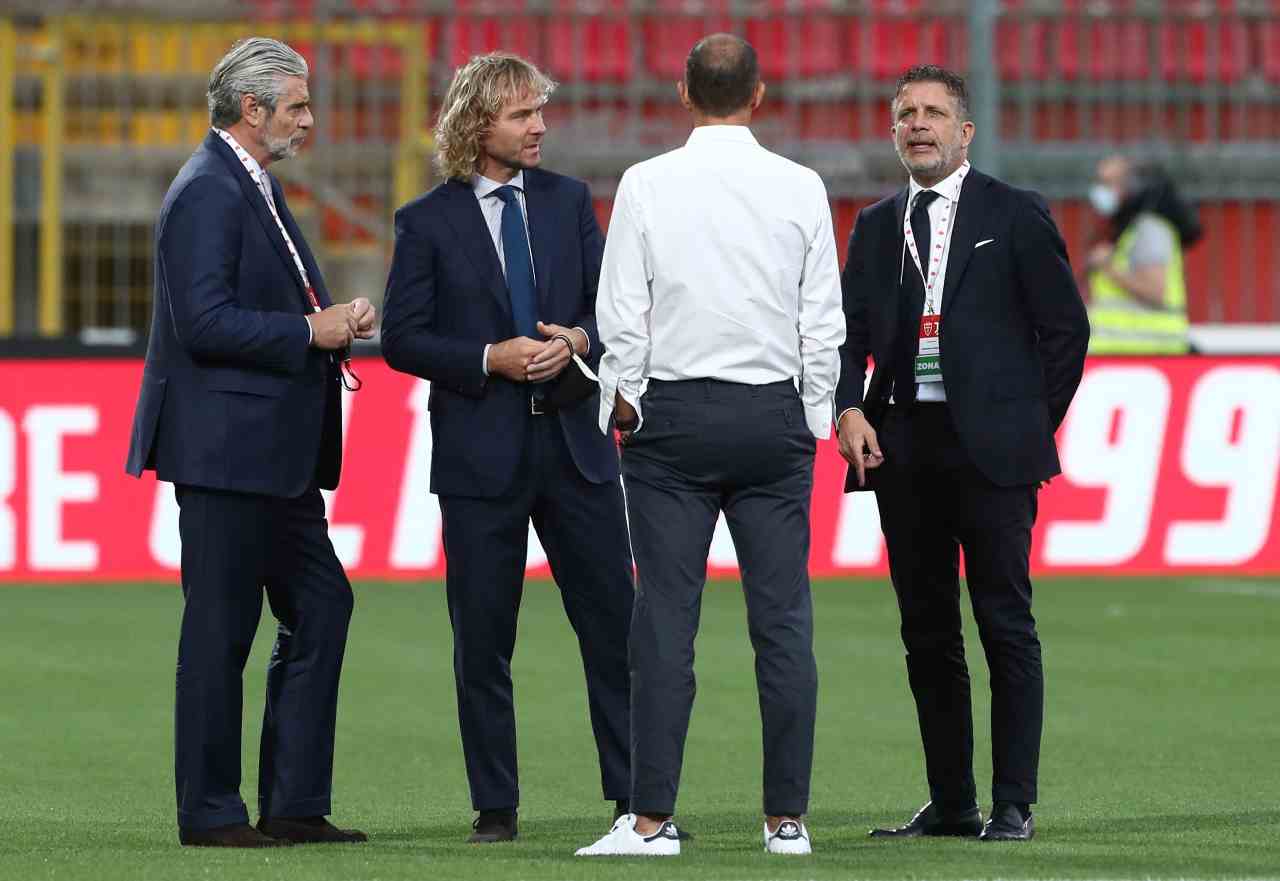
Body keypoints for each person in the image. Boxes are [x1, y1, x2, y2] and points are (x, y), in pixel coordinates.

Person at [575, 34, 844, 858]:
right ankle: (786, 821)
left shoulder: (646, 183)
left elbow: (622, 308)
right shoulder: (801, 185)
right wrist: (812, 415)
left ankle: (650, 820)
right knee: (783, 622)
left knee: (664, 620)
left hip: (674, 420)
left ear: (684, 94)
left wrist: (623, 402)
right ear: (758, 95)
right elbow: (822, 317)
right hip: (772, 417)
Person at [124, 37, 373, 847]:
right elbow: (203, 322)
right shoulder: (207, 190)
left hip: (273, 452)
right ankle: (210, 811)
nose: (310, 120)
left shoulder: (250, 184)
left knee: (322, 605)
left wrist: (333, 320)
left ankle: (294, 803)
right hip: (227, 449)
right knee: (221, 630)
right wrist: (308, 329)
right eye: (296, 106)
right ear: (251, 108)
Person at [380, 52, 634, 844]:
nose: (539, 126)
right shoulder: (425, 221)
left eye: (540, 111)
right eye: (523, 113)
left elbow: (608, 304)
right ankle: (496, 807)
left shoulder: (568, 200)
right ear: (477, 122)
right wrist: (490, 357)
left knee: (616, 629)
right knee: (484, 639)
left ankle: (638, 800)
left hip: (576, 447)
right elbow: (402, 337)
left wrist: (578, 339)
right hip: (480, 456)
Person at [835, 65, 1089, 842]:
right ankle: (952, 801)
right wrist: (848, 406)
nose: (919, 124)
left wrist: (1026, 425)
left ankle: (1014, 801)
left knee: (1004, 622)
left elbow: (1066, 332)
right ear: (893, 131)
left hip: (992, 453)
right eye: (906, 113)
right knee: (927, 630)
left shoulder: (1014, 212)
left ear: (965, 132)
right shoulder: (877, 225)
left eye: (934, 113)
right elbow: (846, 335)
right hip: (904, 445)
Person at [1086, 155, 1201, 353]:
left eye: (1109, 183)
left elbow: (1155, 291)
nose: (1101, 190)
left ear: (1133, 187)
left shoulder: (1150, 229)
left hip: (1149, 350)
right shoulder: (1130, 232)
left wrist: (1108, 268)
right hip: (1128, 351)